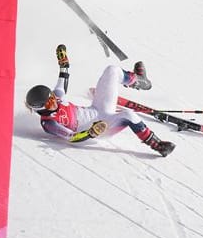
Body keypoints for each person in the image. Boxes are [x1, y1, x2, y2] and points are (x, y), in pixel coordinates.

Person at [24, 44, 175, 157]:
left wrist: (63, 63)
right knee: (128, 115)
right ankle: (158, 145)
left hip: (98, 110)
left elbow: (63, 79)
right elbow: (72, 137)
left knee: (112, 70)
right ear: (40, 109)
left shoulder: (57, 98)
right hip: (101, 128)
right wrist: (91, 132)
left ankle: (139, 80)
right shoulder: (49, 123)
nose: (55, 102)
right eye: (50, 103)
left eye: (52, 98)